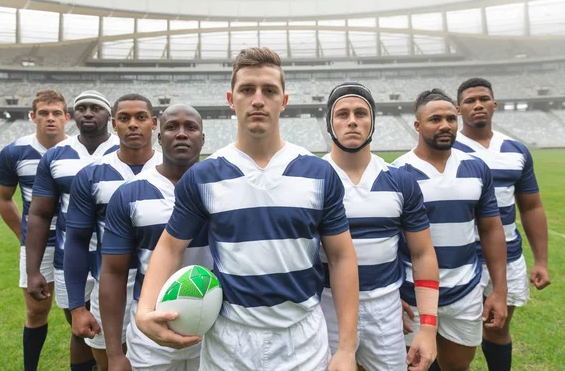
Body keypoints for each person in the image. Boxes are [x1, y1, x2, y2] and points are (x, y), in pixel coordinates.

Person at [136, 47, 360, 371]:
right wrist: (144, 310)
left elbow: (341, 257)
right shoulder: (203, 176)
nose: (258, 100)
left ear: (284, 101)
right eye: (247, 90)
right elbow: (171, 247)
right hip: (229, 342)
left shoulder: (319, 174)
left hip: (302, 340)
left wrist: (347, 348)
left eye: (269, 91)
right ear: (231, 99)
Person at [320, 82, 439, 371]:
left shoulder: (400, 181)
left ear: (373, 122)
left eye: (361, 113)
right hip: (326, 306)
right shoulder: (312, 180)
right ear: (329, 123)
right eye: (342, 113)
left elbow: (422, 253)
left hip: (385, 307)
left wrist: (428, 327)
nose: (352, 121)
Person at [392, 89, 508, 371]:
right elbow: (389, 243)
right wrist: (392, 295)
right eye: (434, 119)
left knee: (457, 365)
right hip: (412, 294)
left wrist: (499, 291)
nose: (445, 125)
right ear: (417, 125)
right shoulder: (397, 173)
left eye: (450, 118)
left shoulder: (476, 168)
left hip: (464, 290)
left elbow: (491, 230)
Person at [100, 104, 213, 371]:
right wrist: (114, 353)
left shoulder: (223, 189)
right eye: (172, 127)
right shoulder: (129, 193)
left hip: (214, 328)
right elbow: (114, 274)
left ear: (202, 138)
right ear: (160, 137)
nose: (182, 134)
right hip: (150, 331)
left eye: (191, 127)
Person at [454, 78, 551, 371]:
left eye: (483, 98)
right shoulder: (446, 149)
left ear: (494, 105)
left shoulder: (516, 150)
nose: (477, 105)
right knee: (457, 338)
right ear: (459, 110)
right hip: (461, 259)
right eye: (470, 101)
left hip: (508, 255)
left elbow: (531, 206)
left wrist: (542, 261)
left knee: (498, 327)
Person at [64, 93, 162, 370]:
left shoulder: (175, 171)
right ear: (114, 124)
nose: (133, 124)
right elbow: (77, 240)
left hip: (159, 286)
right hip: (109, 285)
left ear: (153, 123)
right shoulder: (92, 175)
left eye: (140, 117)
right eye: (124, 118)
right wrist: (77, 307)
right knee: (111, 363)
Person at [26, 90, 119, 371]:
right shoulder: (56, 156)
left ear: (110, 117)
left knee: (120, 329)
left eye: (95, 108)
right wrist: (33, 270)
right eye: (81, 108)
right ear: (73, 116)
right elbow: (41, 214)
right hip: (70, 256)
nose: (87, 113)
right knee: (79, 328)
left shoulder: (124, 150)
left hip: (117, 258)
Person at [0, 89, 70, 371]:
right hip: (38, 246)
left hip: (73, 242)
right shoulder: (14, 152)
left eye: (56, 113)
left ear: (67, 117)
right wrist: (25, 238)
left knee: (78, 308)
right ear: (32, 116)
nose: (50, 119)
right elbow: (3, 198)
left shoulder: (79, 151)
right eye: (43, 113)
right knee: (36, 310)